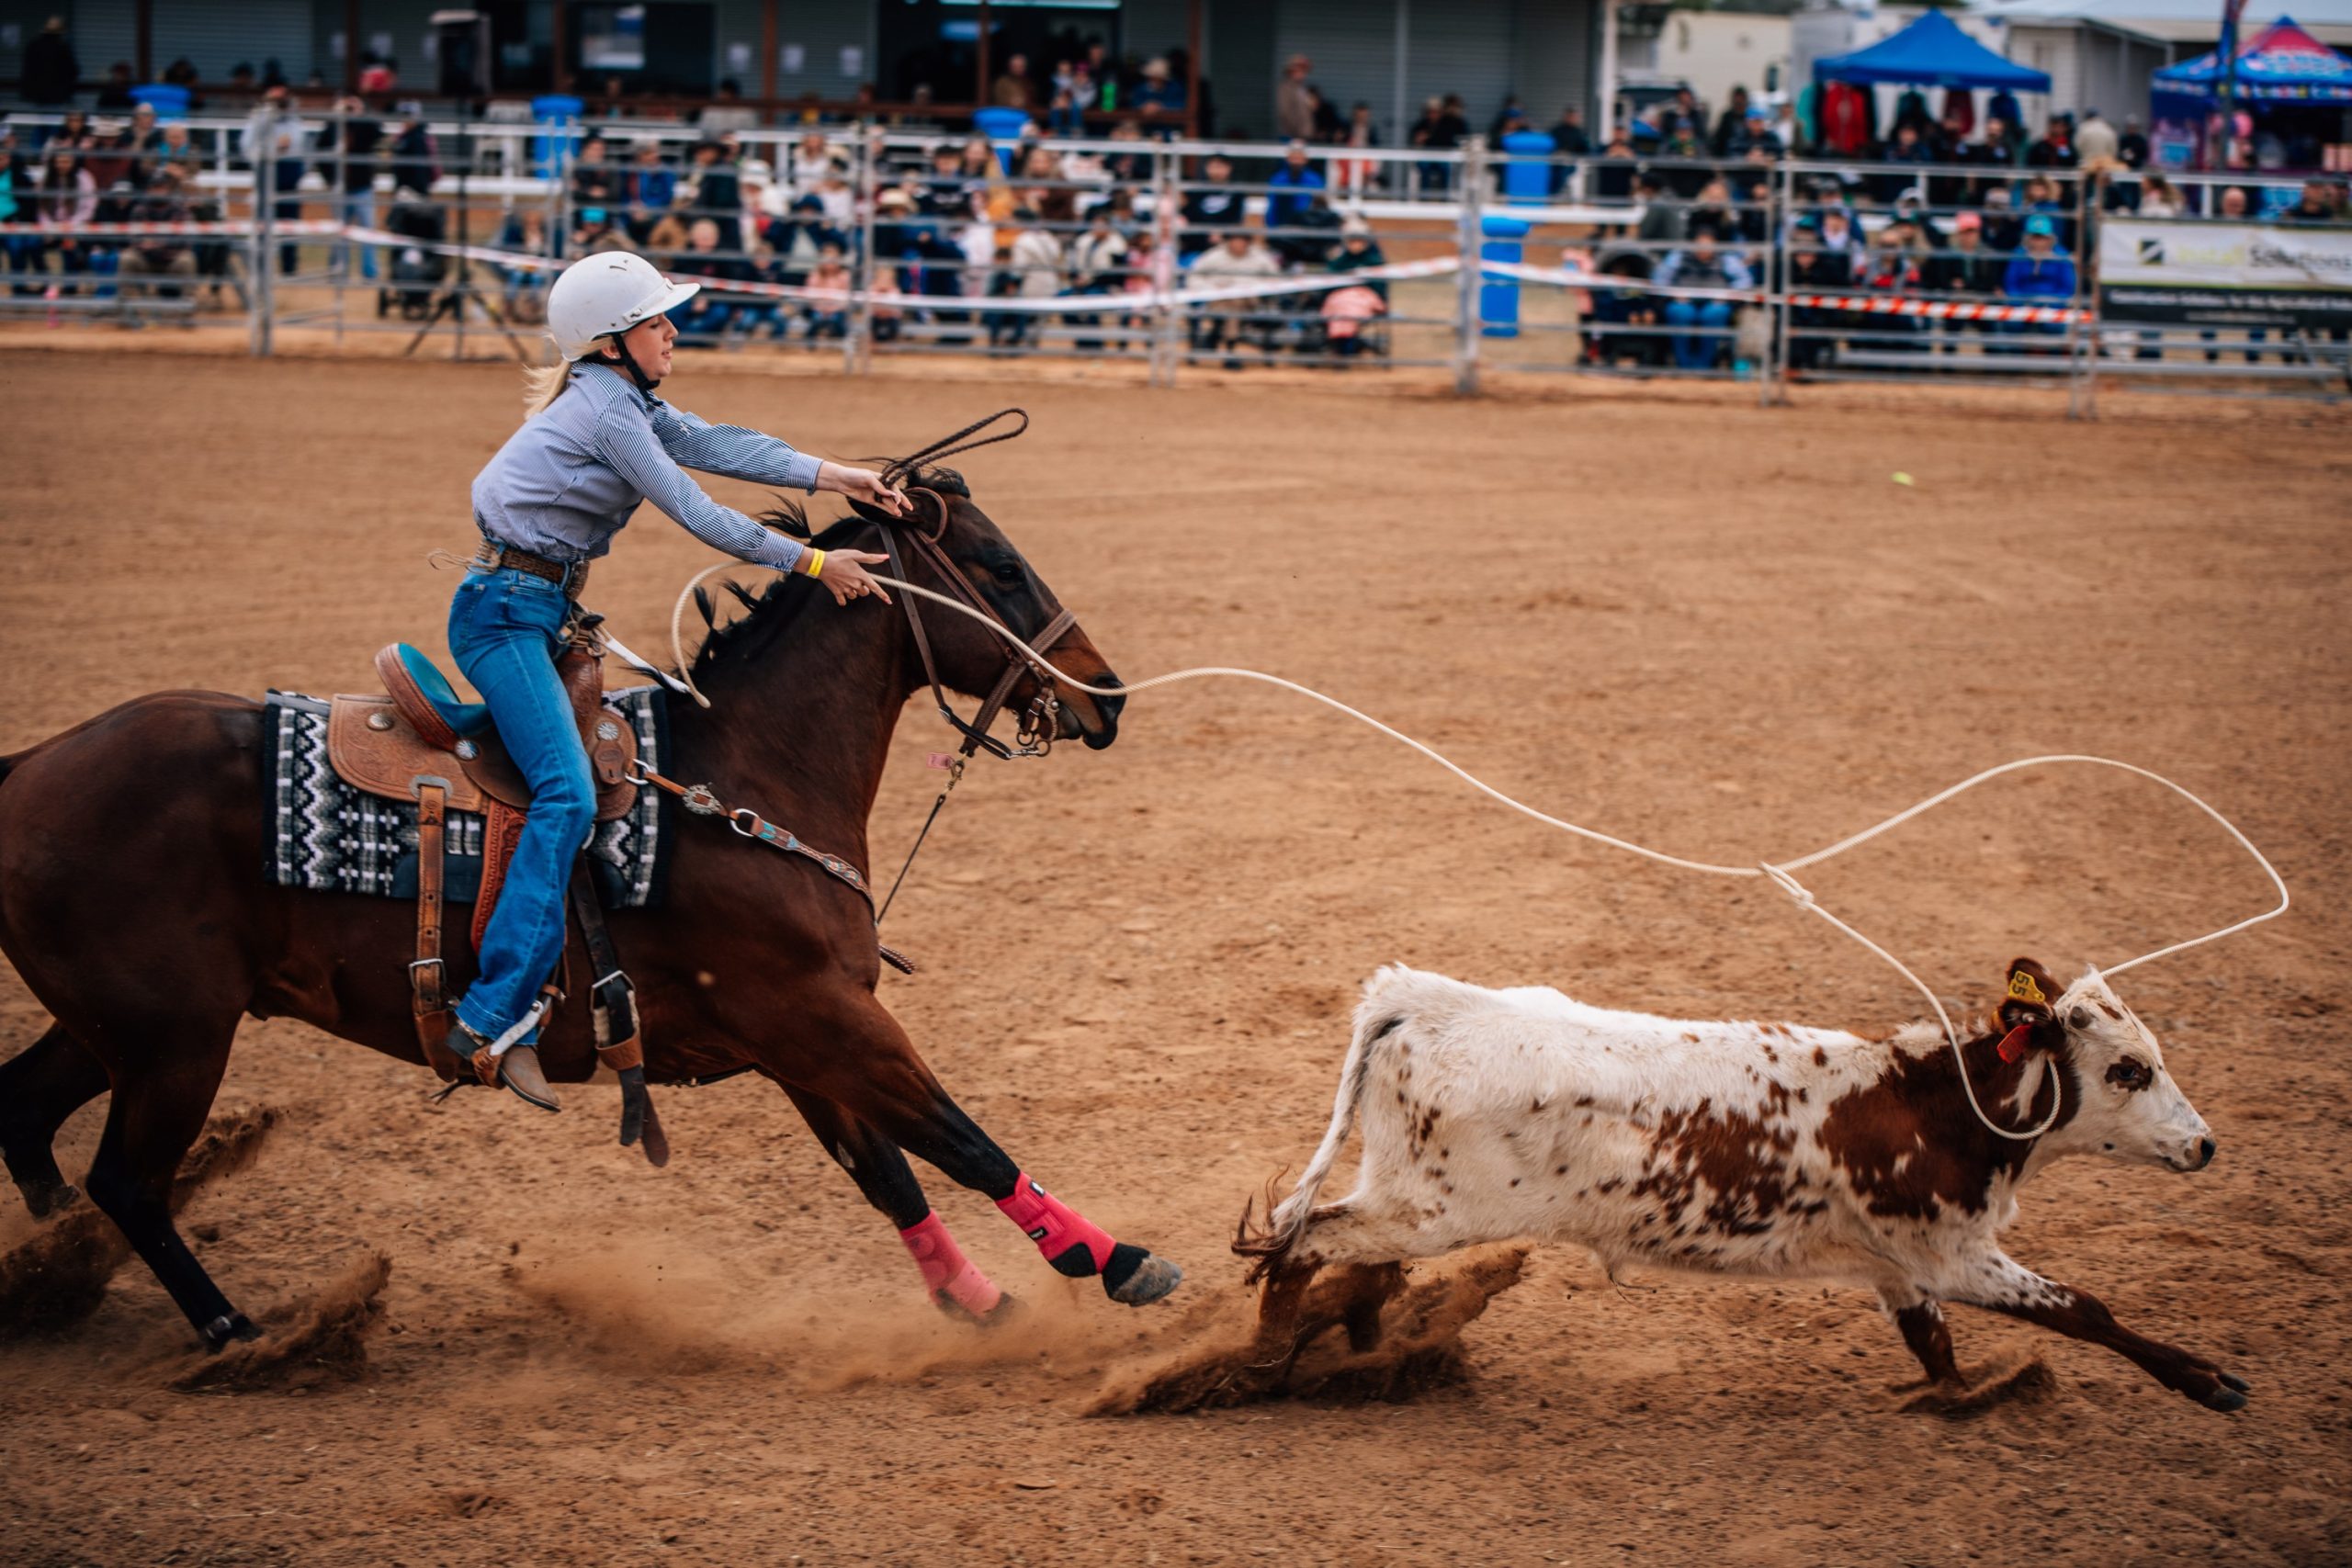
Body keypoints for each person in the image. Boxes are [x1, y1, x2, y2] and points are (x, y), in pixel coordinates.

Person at [456, 253, 908, 1106]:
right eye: (659, 320)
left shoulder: (619, 399)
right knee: (567, 795)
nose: (673, 331)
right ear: (615, 339)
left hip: (532, 609)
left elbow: (715, 443)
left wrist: (835, 473)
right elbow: (699, 510)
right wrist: (815, 563)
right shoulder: (611, 414)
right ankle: (493, 1008)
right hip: (508, 617)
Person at [1654, 223, 1752, 371]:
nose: (1704, 248)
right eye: (1700, 244)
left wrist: (1728, 295)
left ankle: (1704, 366)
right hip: (1683, 302)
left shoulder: (1726, 259)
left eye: (1708, 244)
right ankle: (1684, 366)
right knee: (1679, 312)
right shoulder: (1679, 256)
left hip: (1715, 303)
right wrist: (1672, 293)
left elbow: (1745, 281)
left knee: (1715, 313)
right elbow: (1659, 279)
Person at [2001, 213, 2075, 352]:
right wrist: (2021, 303)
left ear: (2050, 239)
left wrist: (2051, 304)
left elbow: (2067, 287)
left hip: (2052, 305)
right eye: (2035, 237)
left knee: (2054, 326)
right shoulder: (2019, 254)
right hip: (2023, 304)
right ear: (2028, 238)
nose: (2038, 242)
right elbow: (2011, 283)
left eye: (2042, 238)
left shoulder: (2061, 256)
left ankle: (2055, 366)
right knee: (2012, 324)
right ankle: (2014, 364)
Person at [1180, 152, 1244, 256]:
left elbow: (1236, 219)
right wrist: (1209, 232)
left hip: (1225, 242)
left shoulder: (1236, 193)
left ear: (1229, 168)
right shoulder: (1197, 190)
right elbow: (1191, 215)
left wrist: (1222, 232)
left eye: (1220, 167)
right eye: (1213, 166)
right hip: (1198, 241)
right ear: (1206, 168)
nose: (1217, 171)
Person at [23, 17, 79, 109]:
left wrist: (28, 92)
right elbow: (72, 70)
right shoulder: (62, 47)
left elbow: (27, 70)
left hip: (37, 95)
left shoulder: (34, 45)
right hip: (57, 95)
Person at [1276, 55, 1316, 142]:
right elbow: (1285, 112)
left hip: (1304, 136)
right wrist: (1296, 134)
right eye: (1299, 70)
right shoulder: (1285, 88)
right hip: (1291, 136)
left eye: (1304, 71)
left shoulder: (1302, 88)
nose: (1302, 73)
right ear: (1291, 71)